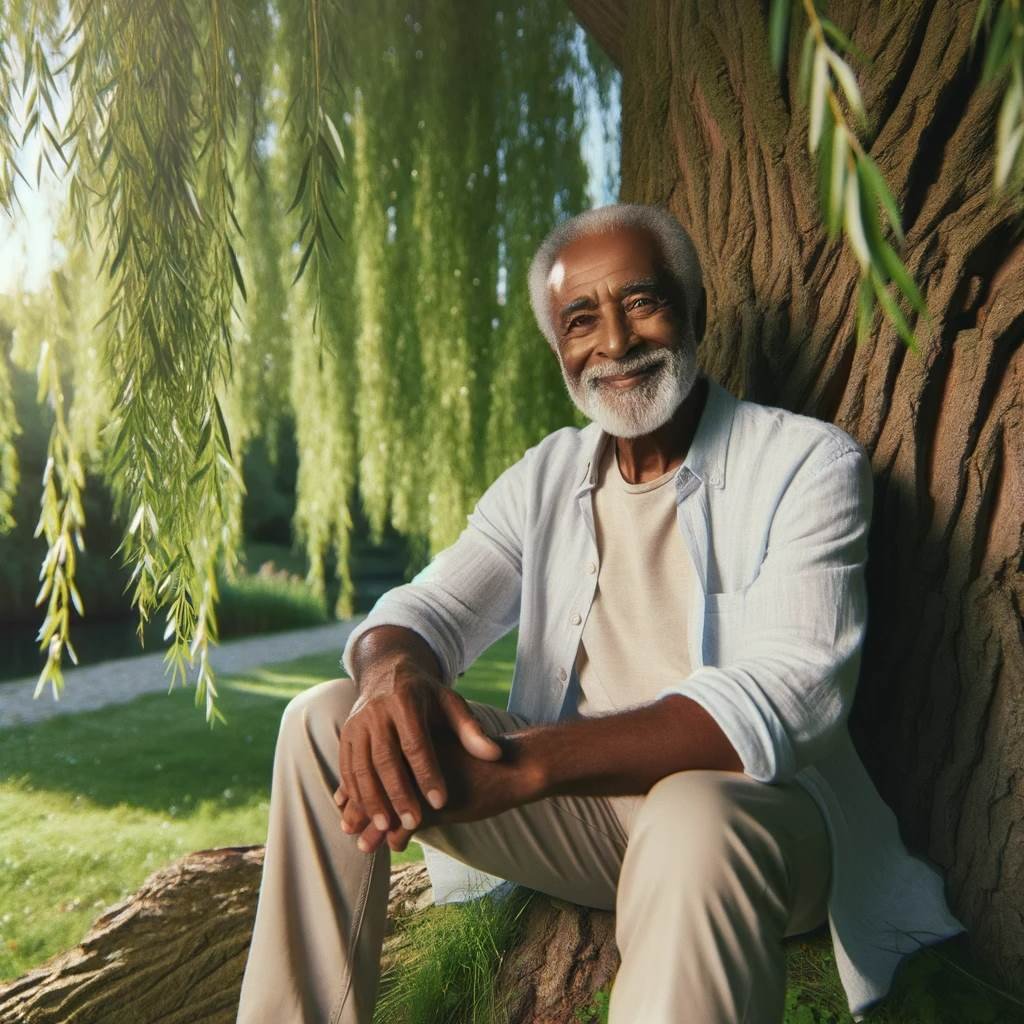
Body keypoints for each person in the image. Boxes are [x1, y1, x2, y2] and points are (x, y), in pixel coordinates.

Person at [236, 203, 965, 1024]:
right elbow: (425, 606)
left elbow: (794, 697)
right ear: (560, 350)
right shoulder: (546, 476)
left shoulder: (805, 462)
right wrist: (392, 671)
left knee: (692, 813)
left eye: (642, 303)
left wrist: (528, 763)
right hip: (582, 817)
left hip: (758, 824)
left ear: (695, 315)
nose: (614, 343)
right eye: (581, 319)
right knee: (329, 720)